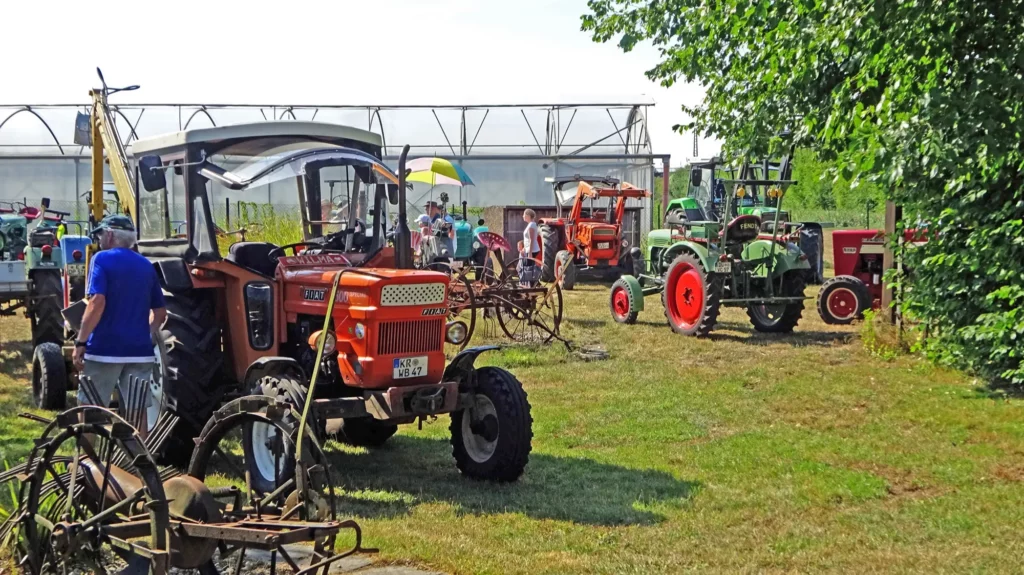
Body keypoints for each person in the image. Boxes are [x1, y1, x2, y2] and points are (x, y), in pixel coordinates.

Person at [72, 215, 167, 433]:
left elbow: (97, 302)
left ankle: (87, 462)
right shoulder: (146, 265)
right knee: (136, 414)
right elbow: (160, 313)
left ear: (110, 234)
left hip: (104, 351)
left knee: (90, 410)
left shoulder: (101, 259)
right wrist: (146, 334)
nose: (99, 239)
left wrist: (81, 341)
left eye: (101, 234)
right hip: (139, 352)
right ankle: (138, 464)